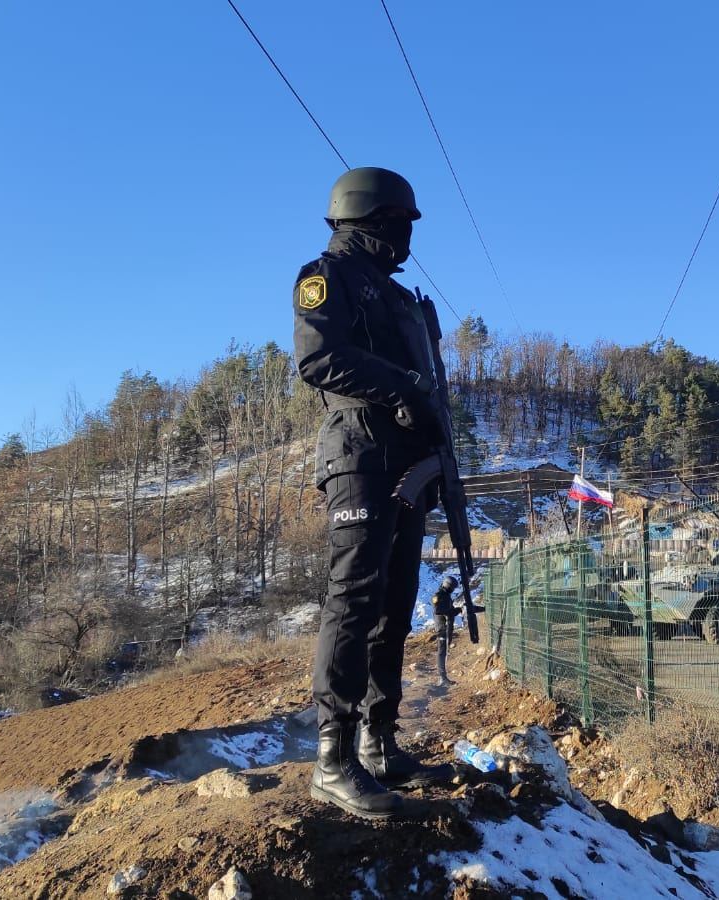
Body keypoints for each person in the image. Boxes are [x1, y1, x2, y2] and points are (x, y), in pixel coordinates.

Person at [293, 166, 453, 820]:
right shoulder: (325, 276)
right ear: (371, 217)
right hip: (360, 452)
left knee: (392, 602)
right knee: (354, 600)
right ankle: (332, 761)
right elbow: (319, 358)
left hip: (406, 465)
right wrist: (405, 390)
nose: (406, 237)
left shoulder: (396, 297)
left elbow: (426, 386)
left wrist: (437, 451)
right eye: (399, 224)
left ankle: (378, 740)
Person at [431, 574, 484, 685]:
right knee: (442, 653)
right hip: (442, 629)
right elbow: (439, 610)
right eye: (452, 588)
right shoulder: (439, 595)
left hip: (446, 628)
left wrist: (458, 610)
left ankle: (443, 677)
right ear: (448, 586)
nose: (453, 590)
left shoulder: (445, 596)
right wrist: (455, 611)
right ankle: (442, 678)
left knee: (444, 652)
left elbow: (447, 610)